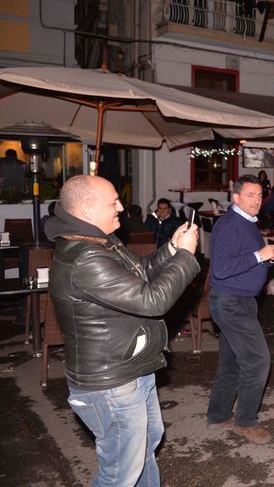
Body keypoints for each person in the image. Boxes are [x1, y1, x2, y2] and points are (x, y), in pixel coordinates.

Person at [45, 175, 200, 486]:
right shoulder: (85, 256)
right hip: (111, 382)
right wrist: (185, 257)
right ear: (86, 209)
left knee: (146, 444)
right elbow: (152, 300)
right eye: (113, 202)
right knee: (119, 474)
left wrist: (172, 249)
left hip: (131, 366)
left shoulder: (98, 239)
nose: (121, 207)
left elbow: (140, 273)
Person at [206, 174, 274, 444]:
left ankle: (218, 415)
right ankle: (246, 422)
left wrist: (269, 256)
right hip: (231, 303)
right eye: (250, 195)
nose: (257, 200)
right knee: (257, 361)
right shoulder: (230, 224)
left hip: (240, 301)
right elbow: (221, 268)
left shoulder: (247, 222)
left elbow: (246, 261)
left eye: (260, 195)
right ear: (236, 197)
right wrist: (259, 255)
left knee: (231, 363)